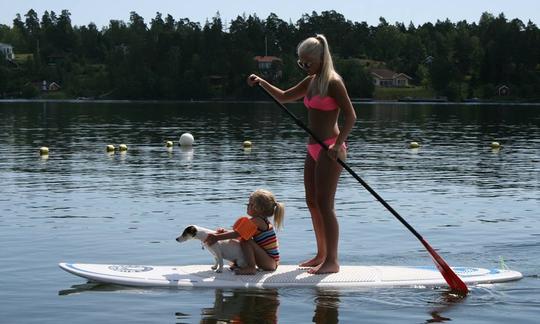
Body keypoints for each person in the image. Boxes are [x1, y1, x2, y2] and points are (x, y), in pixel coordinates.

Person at [247, 34, 356, 274]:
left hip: (330, 149)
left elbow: (351, 116)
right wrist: (262, 82)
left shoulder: (334, 83)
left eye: (308, 63)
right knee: (311, 202)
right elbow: (285, 96)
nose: (304, 67)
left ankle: (332, 261)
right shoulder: (310, 81)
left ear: (321, 59)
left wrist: (338, 144)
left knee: (325, 205)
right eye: (301, 63)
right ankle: (321, 254)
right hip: (313, 148)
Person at [204, 189, 285, 275]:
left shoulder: (257, 220)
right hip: (269, 261)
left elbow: (238, 233)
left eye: (249, 204)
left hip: (270, 262)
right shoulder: (260, 220)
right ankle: (242, 263)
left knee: (246, 241)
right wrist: (224, 232)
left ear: (257, 208)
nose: (247, 205)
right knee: (243, 239)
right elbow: (239, 233)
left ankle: (251, 268)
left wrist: (217, 237)